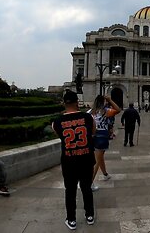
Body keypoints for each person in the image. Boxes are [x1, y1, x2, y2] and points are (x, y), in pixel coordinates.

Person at [52, 89, 96, 230]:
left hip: (69, 161)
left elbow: (61, 137)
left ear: (64, 103)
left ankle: (71, 220)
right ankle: (89, 216)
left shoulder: (57, 122)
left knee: (70, 190)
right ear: (78, 102)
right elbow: (93, 133)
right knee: (86, 188)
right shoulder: (88, 118)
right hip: (86, 159)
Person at [89, 95, 121, 191]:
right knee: (97, 160)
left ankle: (105, 174)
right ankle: (89, 183)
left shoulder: (90, 112)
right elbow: (118, 110)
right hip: (102, 136)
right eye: (105, 101)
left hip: (93, 136)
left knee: (100, 157)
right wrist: (110, 100)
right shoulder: (106, 111)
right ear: (103, 102)